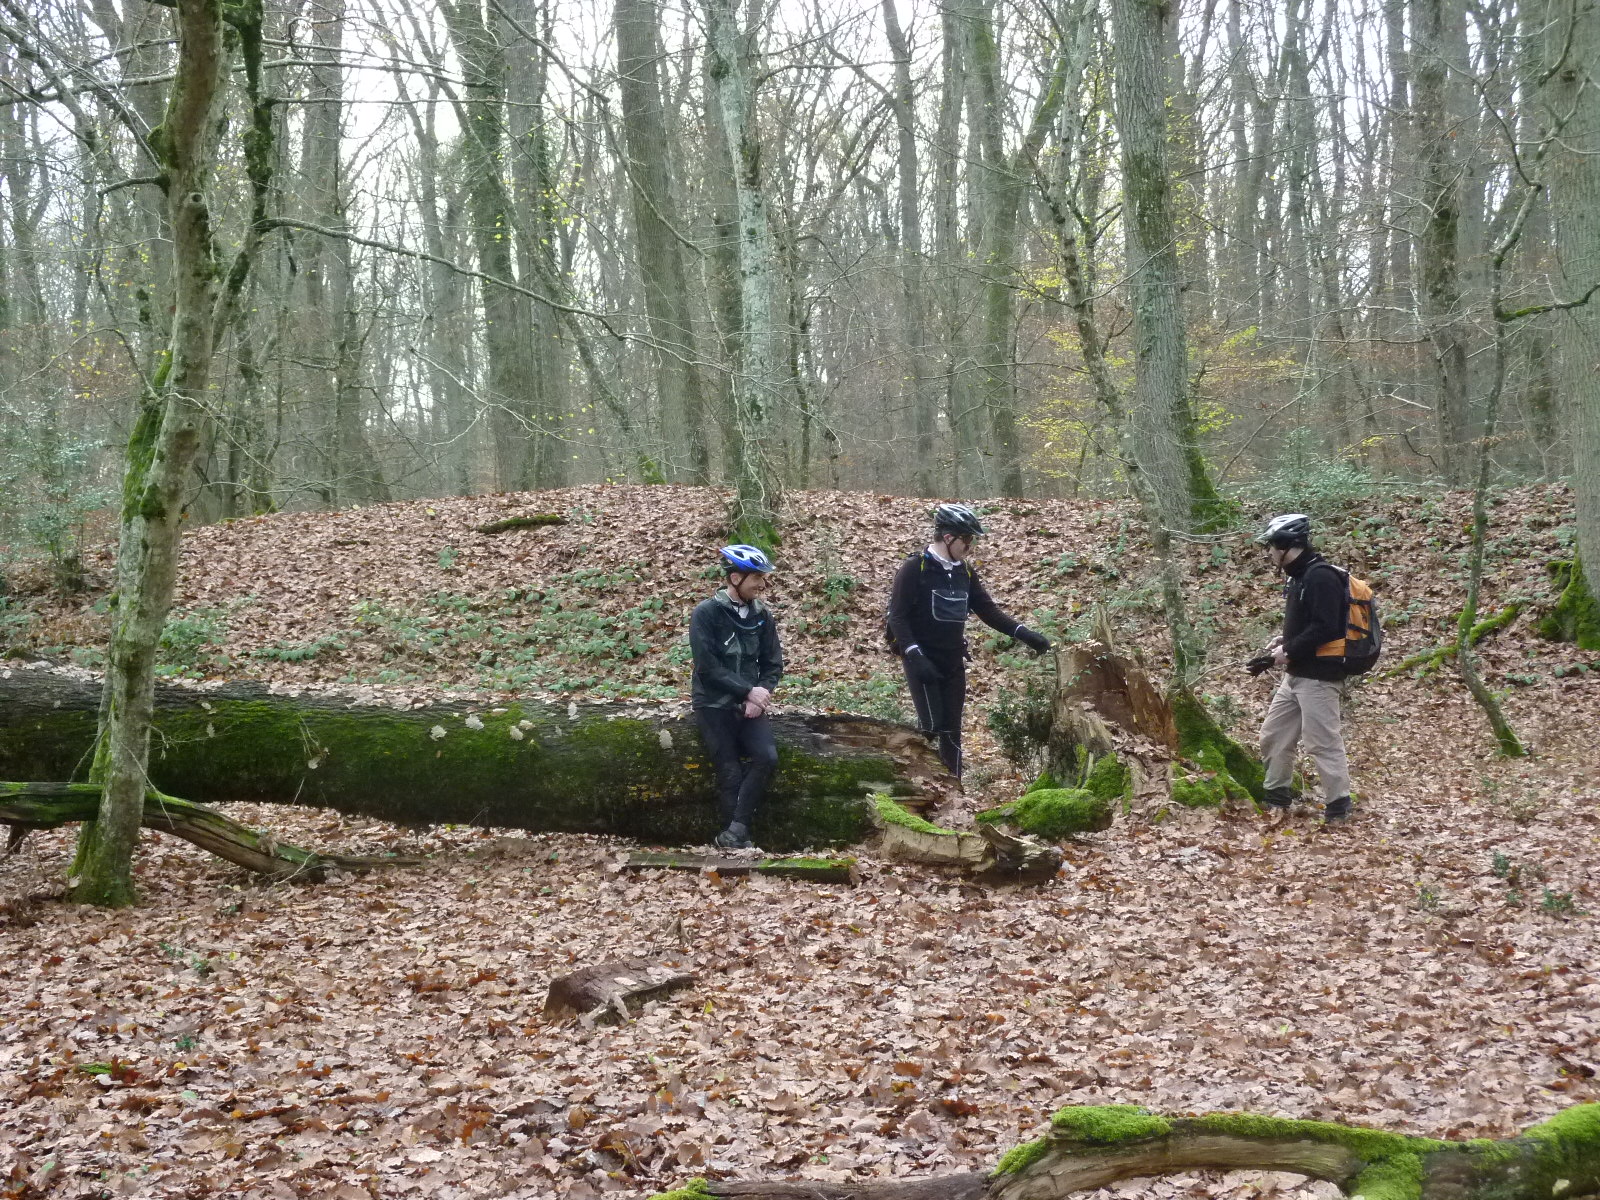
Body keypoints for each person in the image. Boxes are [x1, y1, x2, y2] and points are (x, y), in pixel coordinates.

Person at [886, 503, 1051, 779]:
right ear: (949, 537)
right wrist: (915, 655)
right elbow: (897, 617)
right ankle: (914, 783)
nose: (970, 546)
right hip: (922, 662)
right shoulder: (916, 568)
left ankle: (954, 790)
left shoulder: (965, 572)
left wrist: (1026, 635)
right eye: (967, 539)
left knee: (952, 732)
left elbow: (988, 611)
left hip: (952, 662)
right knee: (930, 727)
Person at [1252, 512, 1355, 824]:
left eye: (1272, 546)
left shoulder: (1320, 577)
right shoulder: (1299, 576)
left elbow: (1327, 627)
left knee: (1323, 743)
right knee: (1274, 735)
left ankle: (1338, 807)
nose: (1269, 552)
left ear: (1287, 545)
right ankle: (1276, 797)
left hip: (1320, 677)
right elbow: (1311, 624)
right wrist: (1285, 641)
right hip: (1296, 675)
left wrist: (1286, 652)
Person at [689, 545, 784, 849]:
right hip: (713, 704)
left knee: (767, 758)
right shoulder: (706, 613)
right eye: (757, 578)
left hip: (750, 705)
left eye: (763, 578)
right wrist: (747, 691)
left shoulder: (762, 616)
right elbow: (707, 668)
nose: (762, 584)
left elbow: (773, 664)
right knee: (729, 771)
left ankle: (735, 831)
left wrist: (760, 695)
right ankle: (735, 842)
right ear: (735, 578)